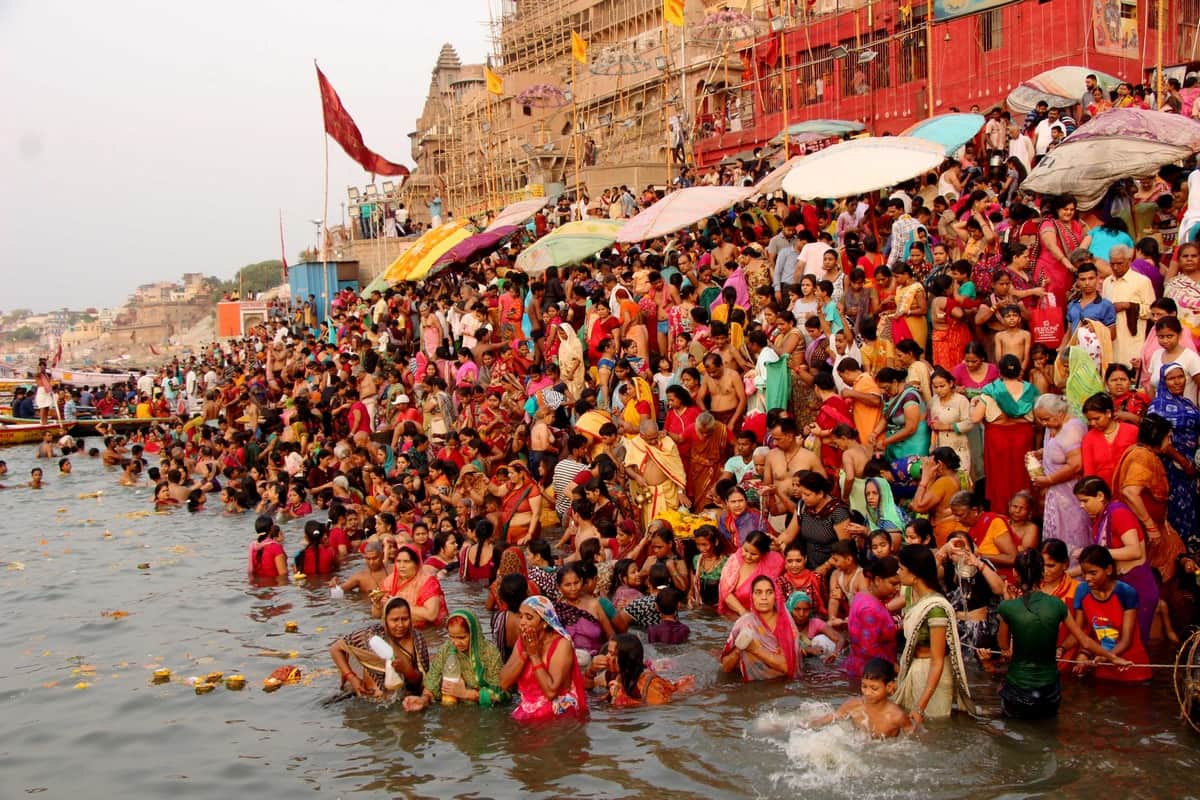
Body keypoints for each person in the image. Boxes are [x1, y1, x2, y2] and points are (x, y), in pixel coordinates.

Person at [997, 549, 1131, 719]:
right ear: (1042, 572)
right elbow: (1085, 641)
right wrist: (1114, 658)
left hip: (1018, 689)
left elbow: (1003, 646)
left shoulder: (1008, 607)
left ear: (1015, 573)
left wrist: (1007, 602)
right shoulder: (1056, 605)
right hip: (1049, 693)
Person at [893, 545, 975, 720]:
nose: (898, 572)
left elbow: (937, 661)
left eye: (901, 568)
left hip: (931, 678)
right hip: (917, 670)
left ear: (914, 574)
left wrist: (921, 707)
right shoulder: (917, 599)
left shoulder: (936, 608)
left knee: (933, 730)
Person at [1073, 475, 1159, 644]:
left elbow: (1135, 551)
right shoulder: (1101, 518)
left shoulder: (1118, 513)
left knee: (1134, 645)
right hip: (1118, 588)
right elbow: (1098, 560)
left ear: (1099, 496)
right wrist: (1067, 573)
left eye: (1084, 501)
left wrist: (1095, 551)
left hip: (1137, 585)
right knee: (1115, 644)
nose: (1082, 506)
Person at [1065, 546, 1152, 682]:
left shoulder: (1126, 592)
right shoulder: (1082, 591)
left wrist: (1106, 656)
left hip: (1131, 667)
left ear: (1109, 570)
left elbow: (1126, 640)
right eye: (1084, 573)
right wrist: (1064, 649)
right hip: (1102, 668)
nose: (1087, 578)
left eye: (1093, 573)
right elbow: (1079, 633)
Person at [499, 596, 589, 720]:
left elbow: (551, 693)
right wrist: (525, 652)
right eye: (521, 616)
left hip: (558, 709)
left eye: (529, 617)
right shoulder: (524, 640)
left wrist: (534, 656)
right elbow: (503, 683)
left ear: (545, 623)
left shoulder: (562, 644)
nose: (522, 622)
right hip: (528, 707)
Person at [403, 609, 509, 711]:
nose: (456, 643)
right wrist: (422, 700)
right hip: (452, 707)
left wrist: (466, 694)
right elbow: (432, 682)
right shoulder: (447, 649)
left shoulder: (490, 654)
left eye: (462, 638)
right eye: (451, 637)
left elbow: (502, 694)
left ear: (473, 634)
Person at [973, 354, 1037, 515]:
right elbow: (1039, 417)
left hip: (997, 438)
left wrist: (974, 403)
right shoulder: (1031, 391)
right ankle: (1023, 512)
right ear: (1019, 371)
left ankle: (1002, 514)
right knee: (1022, 475)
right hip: (1023, 437)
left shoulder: (991, 390)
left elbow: (975, 418)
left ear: (1000, 372)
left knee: (1000, 478)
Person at [330, 596, 429, 701]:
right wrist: (351, 677)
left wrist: (407, 670)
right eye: (394, 620)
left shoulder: (416, 639)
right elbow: (336, 649)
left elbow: (423, 683)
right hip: (369, 700)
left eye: (405, 619)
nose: (400, 625)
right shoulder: (371, 636)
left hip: (404, 700)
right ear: (385, 620)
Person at [1033, 393, 1092, 560]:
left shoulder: (1072, 428)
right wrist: (1041, 454)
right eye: (1041, 420)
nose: (1044, 424)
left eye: (1046, 419)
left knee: (1071, 530)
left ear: (1060, 413)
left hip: (1069, 492)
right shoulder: (1054, 425)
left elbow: (1076, 465)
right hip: (1056, 494)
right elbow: (1059, 450)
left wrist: (1049, 480)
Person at [1146, 363, 1200, 546]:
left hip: (1191, 469)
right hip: (1172, 468)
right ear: (1163, 381)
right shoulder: (1157, 407)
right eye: (1171, 378)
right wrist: (1184, 463)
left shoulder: (1188, 403)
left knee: (1191, 509)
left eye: (1181, 377)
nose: (1178, 382)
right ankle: (1177, 554)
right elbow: (1161, 442)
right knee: (1175, 509)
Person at [719, 575, 802, 681]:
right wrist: (739, 649)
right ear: (752, 596)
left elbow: (788, 667)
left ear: (775, 595)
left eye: (769, 592)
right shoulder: (744, 623)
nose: (764, 597)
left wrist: (755, 649)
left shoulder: (786, 626)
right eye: (758, 592)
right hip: (751, 687)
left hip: (780, 684)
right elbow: (725, 668)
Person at [810, 658, 914, 737]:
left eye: (874, 688)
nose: (867, 693)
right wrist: (809, 724)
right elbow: (832, 717)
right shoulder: (853, 705)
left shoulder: (897, 716)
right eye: (864, 686)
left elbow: (913, 738)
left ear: (889, 687)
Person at [595, 633, 694, 706]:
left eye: (612, 654)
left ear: (626, 659)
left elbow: (661, 706)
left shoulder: (649, 684)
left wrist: (623, 698)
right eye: (608, 652)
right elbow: (590, 686)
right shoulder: (614, 675)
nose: (606, 657)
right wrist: (590, 671)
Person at [845, 556, 901, 681]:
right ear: (878, 580)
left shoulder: (862, 595)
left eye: (899, 584)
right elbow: (868, 648)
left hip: (859, 666)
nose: (897, 588)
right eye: (893, 584)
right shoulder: (869, 609)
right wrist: (894, 667)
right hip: (872, 674)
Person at [623, 420, 688, 528]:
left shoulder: (668, 443)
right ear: (642, 435)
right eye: (650, 439)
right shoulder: (635, 444)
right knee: (650, 527)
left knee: (669, 527)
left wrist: (681, 491)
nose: (653, 441)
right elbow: (627, 467)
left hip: (668, 492)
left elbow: (678, 470)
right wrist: (637, 477)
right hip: (647, 494)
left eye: (655, 437)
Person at [718, 529, 785, 617]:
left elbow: (789, 562)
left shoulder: (772, 561)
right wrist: (743, 612)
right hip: (732, 616)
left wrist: (779, 546)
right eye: (745, 550)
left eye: (754, 554)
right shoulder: (734, 561)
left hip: (762, 617)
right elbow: (725, 592)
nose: (748, 556)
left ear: (763, 554)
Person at [381, 543, 447, 628]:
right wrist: (377, 605)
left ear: (416, 564)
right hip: (397, 628)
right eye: (398, 561)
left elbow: (431, 615)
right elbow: (377, 614)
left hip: (426, 630)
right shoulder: (390, 581)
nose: (401, 566)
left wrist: (397, 604)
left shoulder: (427, 582)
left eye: (406, 562)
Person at [248, 514, 286, 579]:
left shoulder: (253, 546)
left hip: (258, 586)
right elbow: (283, 574)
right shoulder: (276, 547)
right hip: (273, 585)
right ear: (271, 529)